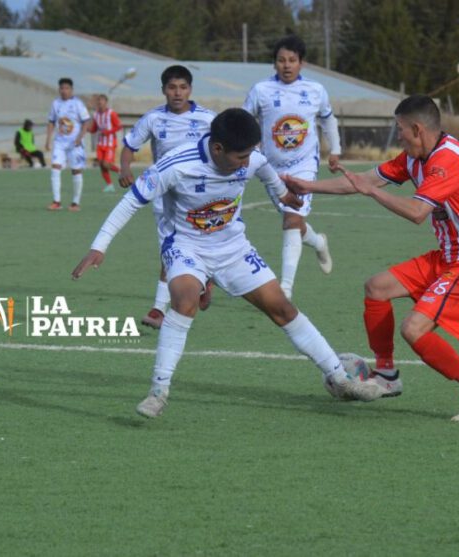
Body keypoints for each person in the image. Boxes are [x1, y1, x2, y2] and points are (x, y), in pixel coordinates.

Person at [73, 108, 383, 417]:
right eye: (241, 156)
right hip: (186, 246)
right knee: (184, 302)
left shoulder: (251, 159)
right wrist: (98, 247)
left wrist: (282, 196)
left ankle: (340, 379)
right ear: (218, 148)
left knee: (283, 309)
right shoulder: (176, 166)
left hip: (234, 248)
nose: (247, 162)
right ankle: (158, 391)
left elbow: (267, 174)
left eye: (250, 154)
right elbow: (131, 202)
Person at [283, 95, 459, 422]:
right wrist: (307, 185)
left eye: (400, 129)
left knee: (414, 329)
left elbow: (416, 212)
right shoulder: (415, 156)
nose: (397, 135)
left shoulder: (448, 161)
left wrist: (371, 192)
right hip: (448, 256)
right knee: (377, 287)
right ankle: (386, 376)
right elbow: (363, 181)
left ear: (417, 129)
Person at [118, 65, 217, 329]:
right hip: (164, 197)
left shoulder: (208, 119)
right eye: (172, 87)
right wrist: (125, 168)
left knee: (199, 246)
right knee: (168, 250)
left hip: (200, 196)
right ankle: (158, 310)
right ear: (163, 90)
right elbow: (129, 146)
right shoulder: (153, 119)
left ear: (190, 90)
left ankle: (204, 277)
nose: (177, 93)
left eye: (183, 87)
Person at [243, 35, 338, 301]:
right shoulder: (260, 90)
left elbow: (329, 121)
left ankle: (285, 288)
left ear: (302, 63)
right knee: (294, 223)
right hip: (271, 167)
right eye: (281, 60)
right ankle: (318, 242)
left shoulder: (316, 90)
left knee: (291, 220)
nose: (287, 65)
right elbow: (244, 120)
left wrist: (336, 150)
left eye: (292, 60)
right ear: (274, 64)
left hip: (305, 164)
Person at [45, 77, 91, 212]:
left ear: (71, 90)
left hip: (75, 143)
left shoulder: (78, 104)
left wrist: (80, 137)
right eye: (62, 88)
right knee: (55, 168)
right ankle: (56, 201)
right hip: (60, 142)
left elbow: (86, 122)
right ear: (59, 89)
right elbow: (51, 122)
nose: (64, 91)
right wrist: (48, 139)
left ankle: (75, 203)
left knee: (76, 170)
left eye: (67, 88)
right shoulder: (55, 103)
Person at [87, 94, 123, 193]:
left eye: (102, 100)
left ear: (106, 102)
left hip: (110, 144)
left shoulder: (111, 113)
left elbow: (119, 126)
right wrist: (88, 129)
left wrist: (108, 132)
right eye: (98, 100)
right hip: (100, 144)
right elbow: (94, 129)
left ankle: (121, 171)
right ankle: (109, 185)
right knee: (102, 165)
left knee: (106, 164)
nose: (100, 102)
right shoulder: (96, 115)